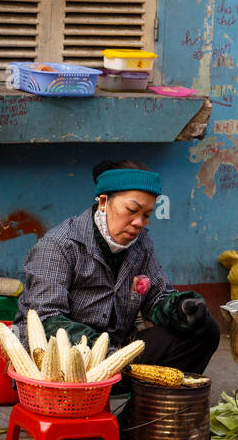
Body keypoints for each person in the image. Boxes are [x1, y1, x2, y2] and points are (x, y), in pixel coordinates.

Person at [14, 158, 220, 379]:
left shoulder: (140, 244)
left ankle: (145, 409)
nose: (139, 222)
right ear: (103, 202)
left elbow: (158, 296)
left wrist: (180, 308)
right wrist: (101, 350)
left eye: (146, 215)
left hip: (119, 353)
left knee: (204, 330)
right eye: (132, 210)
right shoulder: (59, 245)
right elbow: (47, 318)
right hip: (65, 360)